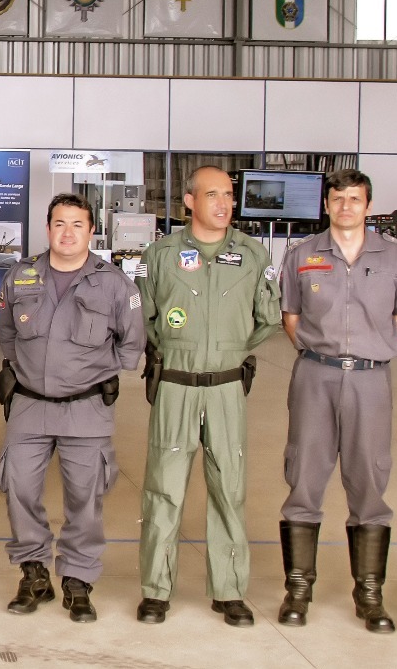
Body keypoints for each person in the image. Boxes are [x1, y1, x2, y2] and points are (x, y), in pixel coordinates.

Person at [276, 169, 397, 633]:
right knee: (304, 477)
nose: (345, 207)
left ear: (368, 205)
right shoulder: (301, 255)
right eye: (337, 199)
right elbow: (291, 317)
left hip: (370, 379)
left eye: (354, 199)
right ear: (326, 205)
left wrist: (365, 348)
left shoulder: (395, 257)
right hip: (314, 376)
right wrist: (324, 353)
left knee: (370, 481)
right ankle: (298, 591)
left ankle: (370, 596)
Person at [134, 165, 280, 628]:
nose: (223, 203)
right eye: (212, 194)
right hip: (176, 384)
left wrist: (230, 350)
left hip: (226, 387)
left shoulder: (252, 254)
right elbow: (144, 316)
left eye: (229, 195)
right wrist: (180, 348)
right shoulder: (161, 254)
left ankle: (229, 590)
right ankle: (156, 590)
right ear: (189, 201)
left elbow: (269, 318)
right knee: (164, 488)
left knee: (229, 489)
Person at [0, 193, 142, 622]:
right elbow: (7, 333)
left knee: (85, 497)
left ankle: (77, 580)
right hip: (29, 404)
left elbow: (131, 344)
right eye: (59, 223)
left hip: (86, 407)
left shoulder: (114, 284)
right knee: (19, 488)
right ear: (48, 228)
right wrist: (33, 369)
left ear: (91, 230)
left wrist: (88, 372)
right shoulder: (21, 276)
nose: (67, 232)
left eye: (77, 224)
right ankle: (34, 573)